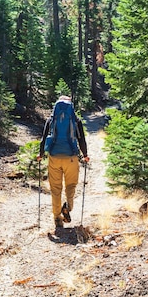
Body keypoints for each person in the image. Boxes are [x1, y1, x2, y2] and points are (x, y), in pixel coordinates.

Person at [38, 95, 89, 229]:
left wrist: (40, 154)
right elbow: (81, 139)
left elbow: (43, 139)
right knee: (71, 185)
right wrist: (85, 155)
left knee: (56, 189)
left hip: (54, 157)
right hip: (71, 158)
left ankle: (57, 217)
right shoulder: (75, 120)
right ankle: (68, 206)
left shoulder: (51, 119)